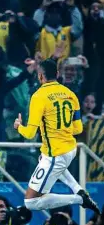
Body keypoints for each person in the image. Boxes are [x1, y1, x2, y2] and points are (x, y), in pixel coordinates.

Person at [13, 59, 100, 214]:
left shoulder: (39, 96)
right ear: (58, 74)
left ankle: (79, 199)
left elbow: (30, 133)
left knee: (31, 202)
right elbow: (78, 128)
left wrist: (19, 126)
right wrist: (61, 129)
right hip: (70, 149)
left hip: (55, 154)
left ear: (40, 76)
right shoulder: (71, 94)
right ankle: (78, 189)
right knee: (46, 160)